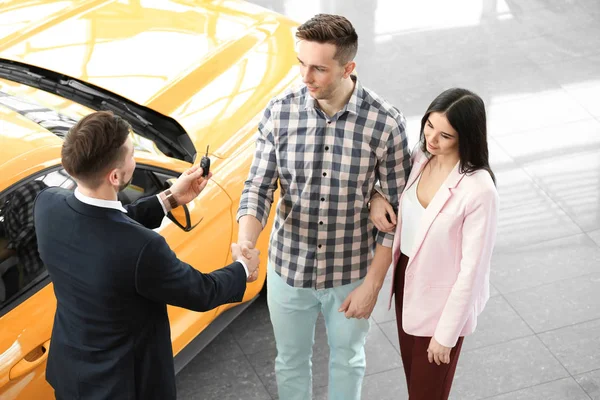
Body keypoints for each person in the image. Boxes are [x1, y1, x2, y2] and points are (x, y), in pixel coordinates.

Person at [234, 14, 411, 400]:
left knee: (348, 359)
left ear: (349, 67)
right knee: (290, 360)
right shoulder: (279, 113)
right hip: (289, 268)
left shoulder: (386, 125)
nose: (305, 76)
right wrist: (247, 239)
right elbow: (258, 186)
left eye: (318, 68)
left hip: (351, 272)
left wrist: (373, 285)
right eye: (301, 63)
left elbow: (397, 218)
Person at [34, 111, 260, 400]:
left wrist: (169, 198)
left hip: (72, 378)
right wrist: (243, 267)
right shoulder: (142, 248)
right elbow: (203, 292)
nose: (135, 159)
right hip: (128, 388)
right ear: (115, 176)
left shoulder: (49, 204)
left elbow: (102, 223)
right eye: (131, 153)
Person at [369, 88, 499, 399]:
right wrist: (376, 198)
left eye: (445, 135)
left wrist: (446, 334)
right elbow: (387, 189)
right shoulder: (421, 158)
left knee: (427, 393)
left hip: (444, 304)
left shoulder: (479, 191)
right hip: (407, 282)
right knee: (416, 383)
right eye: (429, 125)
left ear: (466, 138)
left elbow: (472, 272)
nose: (432, 139)